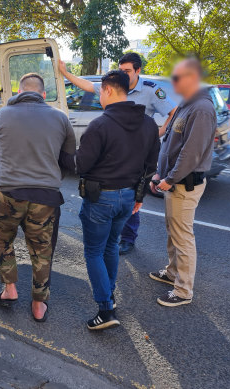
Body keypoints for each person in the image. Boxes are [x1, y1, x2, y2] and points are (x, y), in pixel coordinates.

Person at [59, 71, 160, 330]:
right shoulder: (148, 124)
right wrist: (139, 197)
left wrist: (61, 153)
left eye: (99, 92)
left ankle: (105, 309)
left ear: (108, 90)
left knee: (94, 251)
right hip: (128, 198)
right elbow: (151, 166)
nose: (99, 97)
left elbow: (80, 165)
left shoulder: (101, 124)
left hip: (101, 197)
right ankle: (110, 295)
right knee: (111, 246)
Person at [59, 53, 177, 256]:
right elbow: (87, 86)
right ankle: (112, 242)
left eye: (127, 71)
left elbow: (173, 112)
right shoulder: (113, 86)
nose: (124, 74)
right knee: (119, 194)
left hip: (136, 149)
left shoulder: (150, 90)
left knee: (130, 192)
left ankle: (128, 239)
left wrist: (156, 133)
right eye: (121, 70)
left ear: (138, 71)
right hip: (116, 146)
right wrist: (65, 72)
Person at [0, 73, 76, 323]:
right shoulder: (60, 117)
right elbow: (67, 157)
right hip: (45, 197)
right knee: (42, 251)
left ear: (18, 92)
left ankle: (10, 289)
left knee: (1, 240)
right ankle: (39, 305)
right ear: (43, 94)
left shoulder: (3, 114)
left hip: (9, 193)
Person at [149, 58, 216, 307]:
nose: (174, 82)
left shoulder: (201, 108)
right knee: (174, 232)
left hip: (184, 183)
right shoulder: (187, 105)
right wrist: (159, 173)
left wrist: (170, 178)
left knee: (183, 236)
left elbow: (191, 152)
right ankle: (172, 273)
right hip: (174, 181)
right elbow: (170, 143)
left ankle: (183, 290)